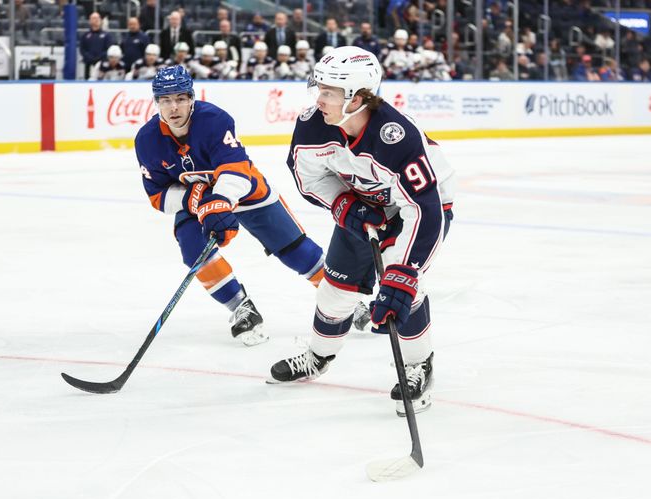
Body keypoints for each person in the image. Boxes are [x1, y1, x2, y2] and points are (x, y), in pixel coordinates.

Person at [269, 46, 456, 417]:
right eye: (318, 88)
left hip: (417, 210)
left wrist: (404, 273)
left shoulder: (396, 136)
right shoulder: (311, 125)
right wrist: (343, 205)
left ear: (357, 97)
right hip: (362, 203)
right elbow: (308, 178)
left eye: (328, 92)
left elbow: (426, 208)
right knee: (334, 289)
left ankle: (418, 365)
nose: (318, 99)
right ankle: (318, 357)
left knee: (402, 287)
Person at [133, 65, 328, 346]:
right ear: (156, 103)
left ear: (191, 98)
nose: (173, 107)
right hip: (197, 202)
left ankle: (342, 299)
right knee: (193, 252)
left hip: (244, 190)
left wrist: (221, 202)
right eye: (165, 100)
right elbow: (157, 196)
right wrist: (196, 200)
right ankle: (241, 308)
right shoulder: (147, 140)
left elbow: (235, 168)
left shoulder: (213, 120)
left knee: (295, 250)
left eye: (180, 98)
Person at [80, 12, 114, 79]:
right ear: (89, 21)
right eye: (93, 18)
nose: (95, 20)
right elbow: (82, 49)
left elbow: (108, 49)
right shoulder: (85, 35)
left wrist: (99, 58)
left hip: (103, 65)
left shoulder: (106, 35)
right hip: (88, 64)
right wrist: (89, 57)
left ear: (101, 20)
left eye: (97, 18)